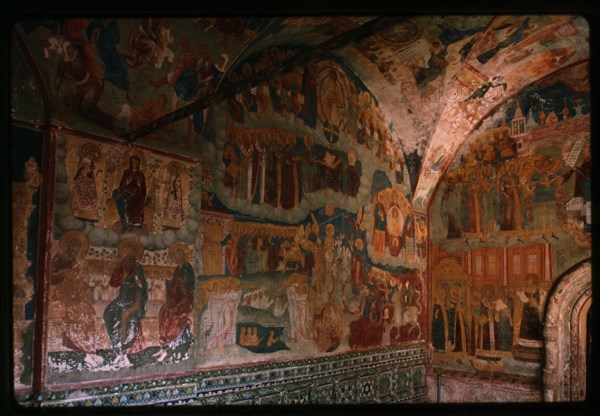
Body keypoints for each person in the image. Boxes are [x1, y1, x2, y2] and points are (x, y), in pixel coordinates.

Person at [50, 231, 102, 367]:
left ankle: (89, 351)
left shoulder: (80, 262)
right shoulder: (59, 259)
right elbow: (51, 277)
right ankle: (85, 349)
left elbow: (83, 278)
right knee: (79, 314)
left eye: (77, 246)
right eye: (72, 245)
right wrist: (65, 273)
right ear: (67, 246)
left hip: (77, 295)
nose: (74, 249)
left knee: (89, 313)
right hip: (64, 293)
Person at [103, 238, 148, 368]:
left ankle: (123, 355)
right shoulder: (121, 265)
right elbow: (113, 282)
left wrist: (137, 287)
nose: (129, 253)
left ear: (135, 253)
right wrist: (121, 274)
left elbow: (143, 286)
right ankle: (118, 351)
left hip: (134, 300)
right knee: (109, 315)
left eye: (132, 251)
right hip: (122, 299)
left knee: (128, 323)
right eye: (127, 250)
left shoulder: (138, 267)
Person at [154, 242, 195, 362]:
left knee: (174, 314)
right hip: (178, 298)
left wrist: (182, 281)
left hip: (187, 299)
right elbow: (173, 285)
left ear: (184, 255)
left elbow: (191, 285)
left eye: (180, 254)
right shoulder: (177, 268)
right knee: (164, 311)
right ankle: (163, 345)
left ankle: (169, 346)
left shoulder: (188, 267)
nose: (178, 257)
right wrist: (169, 283)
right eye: (176, 255)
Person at [113, 155, 147, 231]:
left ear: (138, 164)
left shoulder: (140, 174)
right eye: (133, 162)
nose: (134, 164)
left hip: (137, 193)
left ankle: (135, 223)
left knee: (138, 203)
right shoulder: (127, 172)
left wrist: (144, 196)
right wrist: (125, 184)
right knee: (121, 200)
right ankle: (125, 221)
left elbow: (143, 186)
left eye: (136, 162)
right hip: (127, 190)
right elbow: (122, 183)